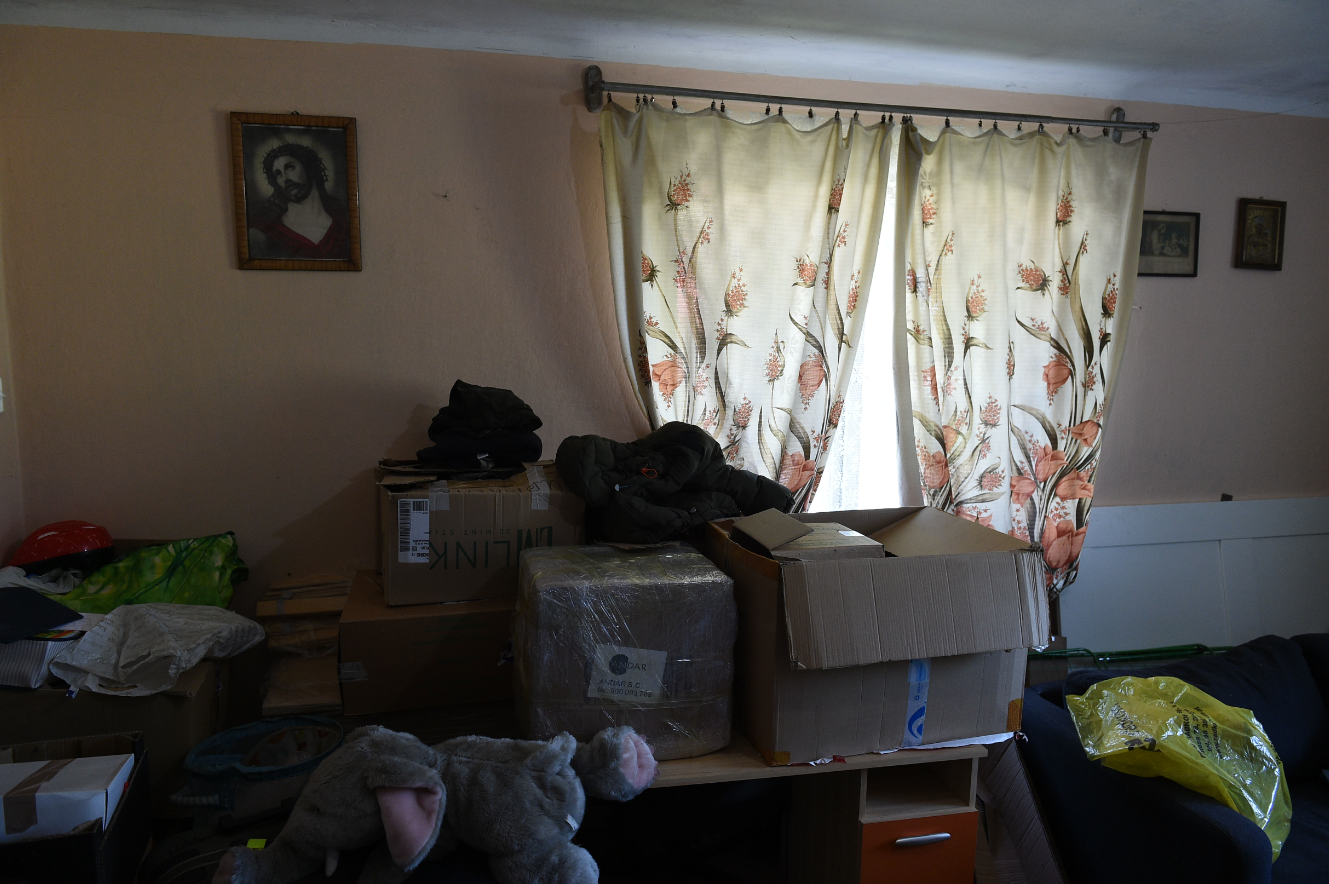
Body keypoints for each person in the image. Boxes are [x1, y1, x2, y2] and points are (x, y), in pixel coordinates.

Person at [247, 143, 351, 260]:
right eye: (278, 174)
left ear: (309, 169)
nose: (285, 178)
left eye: (290, 167)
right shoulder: (266, 232)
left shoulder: (343, 222)